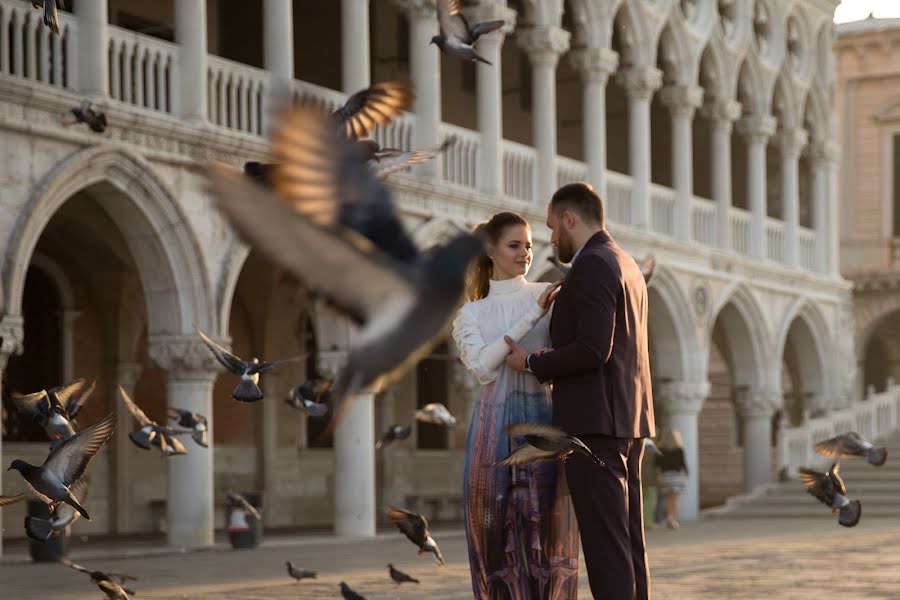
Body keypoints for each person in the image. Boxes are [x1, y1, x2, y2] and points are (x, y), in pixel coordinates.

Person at [505, 182, 655, 600]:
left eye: (553, 227)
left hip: (594, 425)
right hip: (628, 420)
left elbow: (594, 348)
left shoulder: (591, 265)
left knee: (606, 548)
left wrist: (533, 363)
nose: (552, 238)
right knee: (627, 543)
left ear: (570, 218)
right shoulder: (625, 262)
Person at [452, 211, 579, 600]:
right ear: (490, 250)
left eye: (528, 245)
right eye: (514, 245)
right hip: (491, 438)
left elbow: (566, 358)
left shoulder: (549, 296)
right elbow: (484, 366)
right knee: (494, 542)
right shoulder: (471, 313)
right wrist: (531, 315)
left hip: (543, 430)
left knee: (548, 539)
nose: (525, 253)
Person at [656, 428, 688, 530]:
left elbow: (657, 464)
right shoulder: (679, 450)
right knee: (674, 499)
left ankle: (668, 517)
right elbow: (683, 464)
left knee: (667, 499)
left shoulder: (660, 450)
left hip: (665, 476)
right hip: (676, 476)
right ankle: (672, 519)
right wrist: (687, 473)